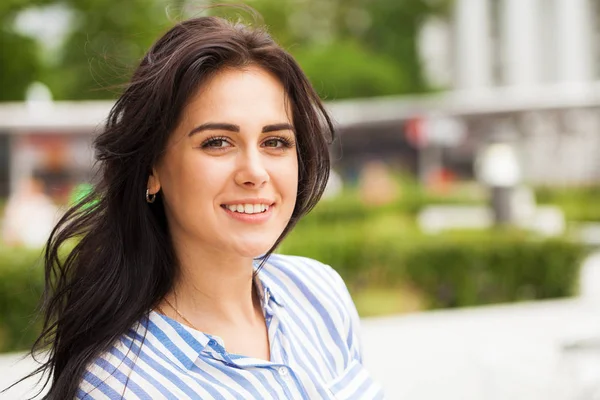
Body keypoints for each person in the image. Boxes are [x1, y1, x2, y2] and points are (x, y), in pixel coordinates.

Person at [21, 11, 384, 400]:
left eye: (275, 142)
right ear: (152, 168)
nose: (254, 172)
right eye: (217, 142)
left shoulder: (318, 292)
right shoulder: (122, 385)